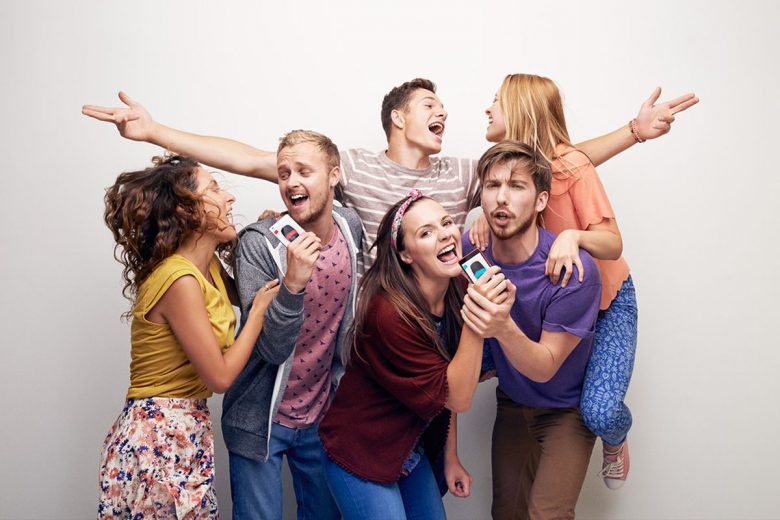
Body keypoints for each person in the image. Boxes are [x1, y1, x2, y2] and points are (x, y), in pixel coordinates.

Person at [81, 78, 695, 269]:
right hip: (371, 323)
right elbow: (251, 159)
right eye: (431, 105)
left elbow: (551, 167)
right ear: (399, 117)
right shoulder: (352, 165)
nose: (444, 112)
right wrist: (155, 131)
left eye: (444, 107)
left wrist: (633, 133)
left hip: (442, 322)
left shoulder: (465, 173)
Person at [473, 73, 674, 489]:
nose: (488, 108)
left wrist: (574, 235)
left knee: (599, 412)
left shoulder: (572, 168)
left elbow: (613, 243)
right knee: (461, 362)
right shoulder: (525, 174)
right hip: (551, 310)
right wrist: (480, 215)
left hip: (607, 303)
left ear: (520, 108)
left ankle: (617, 437)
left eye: (496, 100)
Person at [99, 155, 280, 518]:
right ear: (186, 210)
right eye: (213, 187)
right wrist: (259, 311)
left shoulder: (206, 266)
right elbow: (221, 376)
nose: (229, 197)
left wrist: (260, 237)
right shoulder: (179, 279)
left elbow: (242, 292)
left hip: (186, 429)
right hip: (158, 433)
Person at [318, 192, 506, 519]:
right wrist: (478, 318)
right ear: (405, 255)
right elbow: (457, 395)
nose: (446, 233)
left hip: (406, 449)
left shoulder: (458, 288)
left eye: (447, 223)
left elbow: (447, 377)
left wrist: (451, 457)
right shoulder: (388, 314)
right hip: (359, 450)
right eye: (426, 232)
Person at [221, 130, 363, 519]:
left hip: (321, 416)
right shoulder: (258, 245)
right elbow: (269, 349)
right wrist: (293, 285)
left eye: (304, 170)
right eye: (284, 173)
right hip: (259, 417)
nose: (291, 182)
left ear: (334, 175)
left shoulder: (350, 227)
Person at [461, 141, 602, 519]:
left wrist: (502, 326)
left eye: (516, 186)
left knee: (546, 515)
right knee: (506, 513)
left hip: (565, 410)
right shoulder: (470, 250)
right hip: (512, 401)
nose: (501, 199)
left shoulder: (576, 271)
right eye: (492, 187)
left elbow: (545, 366)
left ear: (541, 200)